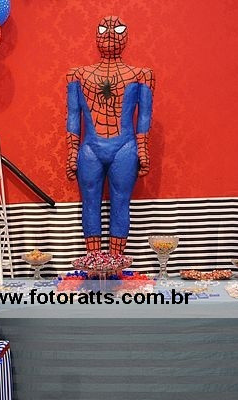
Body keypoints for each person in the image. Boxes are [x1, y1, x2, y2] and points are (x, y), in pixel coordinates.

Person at [65, 15, 155, 255]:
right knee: (89, 202)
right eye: (104, 29)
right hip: (90, 148)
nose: (111, 34)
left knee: (121, 202)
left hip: (125, 147)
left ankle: (116, 261)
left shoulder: (142, 75)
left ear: (127, 36)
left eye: (119, 29)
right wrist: (72, 152)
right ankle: (94, 261)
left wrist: (143, 148)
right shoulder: (77, 75)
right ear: (96, 35)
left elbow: (144, 116)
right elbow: (73, 115)